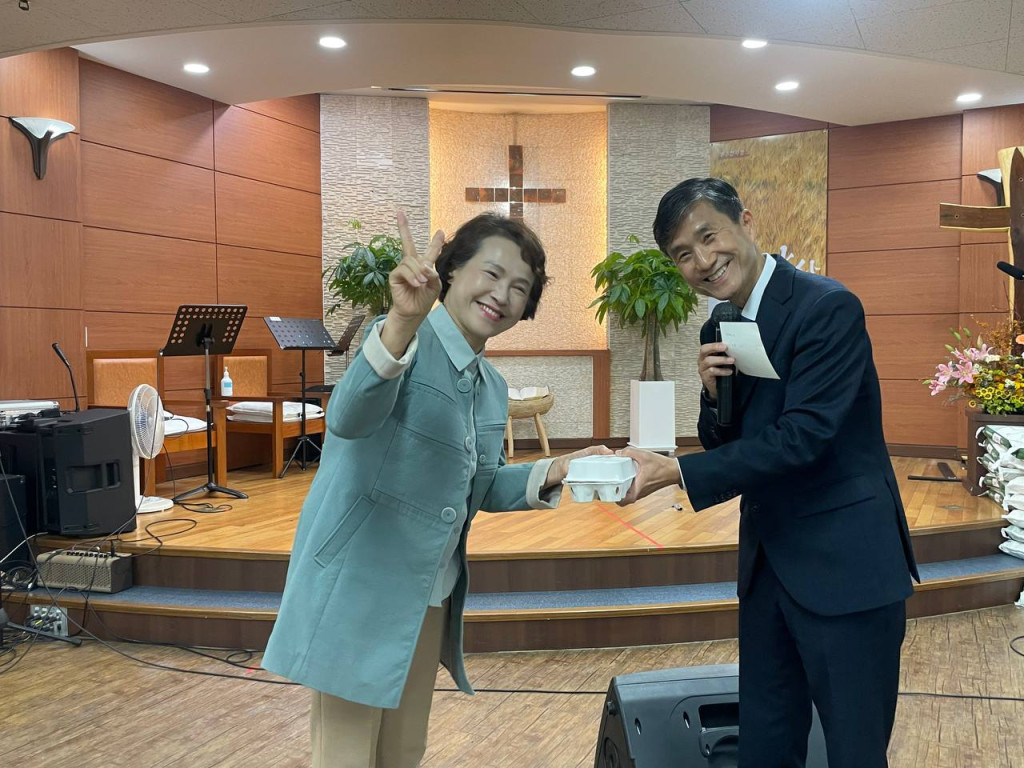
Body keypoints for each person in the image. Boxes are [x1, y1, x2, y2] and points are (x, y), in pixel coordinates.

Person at [262, 211, 610, 768]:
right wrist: (402, 320)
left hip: (429, 593)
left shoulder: (490, 385)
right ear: (451, 271)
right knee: (347, 756)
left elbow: (480, 484)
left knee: (403, 751)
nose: (502, 295)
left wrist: (561, 468)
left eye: (520, 287)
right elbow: (346, 417)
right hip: (361, 586)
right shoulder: (402, 339)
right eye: (491, 273)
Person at [618, 178, 919, 768]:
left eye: (709, 237)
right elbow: (732, 440)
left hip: (845, 565)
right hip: (768, 571)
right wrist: (713, 399)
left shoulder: (826, 307)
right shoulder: (719, 325)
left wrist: (677, 472)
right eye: (683, 254)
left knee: (855, 751)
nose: (703, 261)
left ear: (745, 221)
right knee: (765, 744)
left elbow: (803, 438)